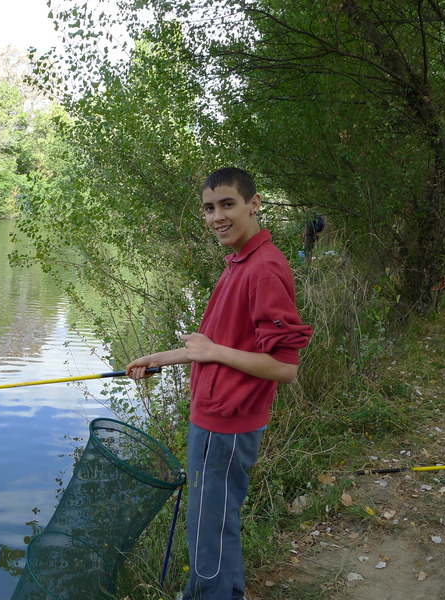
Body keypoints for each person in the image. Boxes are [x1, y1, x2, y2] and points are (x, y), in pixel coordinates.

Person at [126, 167, 313, 600]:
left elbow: (284, 367)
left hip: (226, 426)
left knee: (208, 527)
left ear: (254, 204)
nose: (217, 217)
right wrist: (157, 359)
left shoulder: (262, 269)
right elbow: (210, 346)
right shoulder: (239, 262)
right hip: (214, 421)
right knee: (212, 520)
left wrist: (214, 353)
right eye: (209, 208)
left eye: (228, 204)